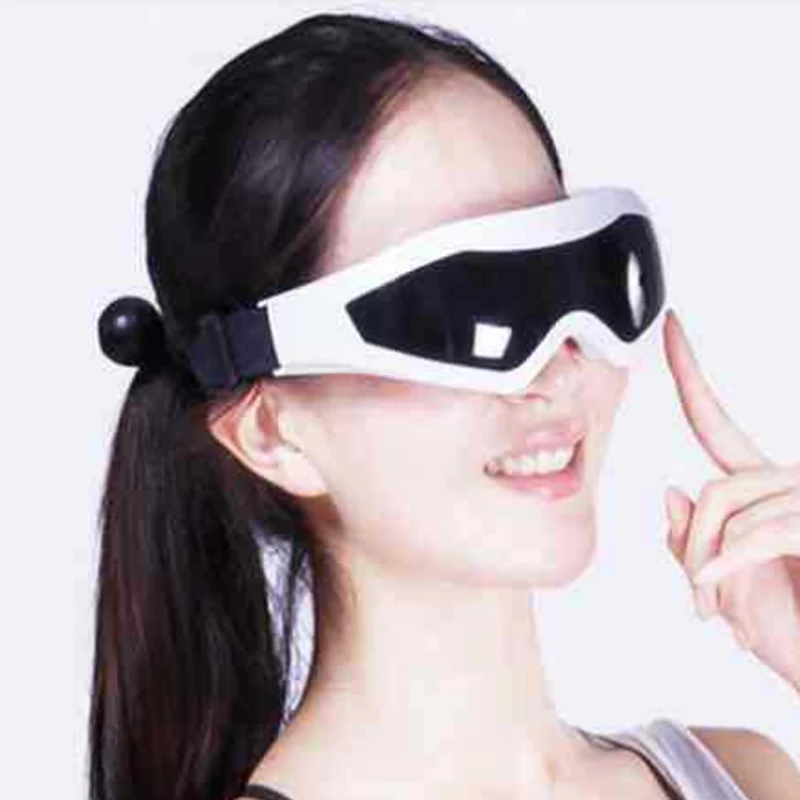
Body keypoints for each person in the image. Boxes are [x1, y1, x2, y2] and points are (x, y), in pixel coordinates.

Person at [91, 11, 800, 800]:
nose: (557, 368)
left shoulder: (749, 776)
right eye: (462, 314)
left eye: (572, 273)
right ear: (272, 433)